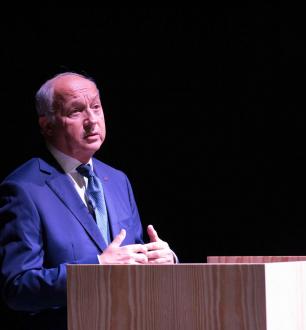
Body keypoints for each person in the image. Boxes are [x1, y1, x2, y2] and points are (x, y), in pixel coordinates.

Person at [0, 72, 176, 330]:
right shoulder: (23, 188)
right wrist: (98, 267)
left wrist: (162, 259)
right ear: (48, 125)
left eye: (96, 107)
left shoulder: (117, 180)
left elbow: (131, 256)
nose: (92, 120)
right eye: (76, 111)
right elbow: (17, 287)